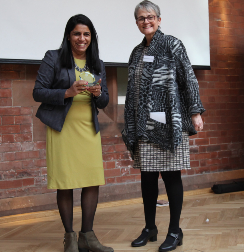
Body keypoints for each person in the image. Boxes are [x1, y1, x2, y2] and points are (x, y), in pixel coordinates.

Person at [122, 1, 205, 252]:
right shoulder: (136, 52)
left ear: (159, 19)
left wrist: (195, 112)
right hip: (144, 125)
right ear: (136, 23)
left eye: (150, 17)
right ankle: (150, 228)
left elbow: (188, 77)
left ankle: (174, 230)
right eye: (140, 18)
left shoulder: (172, 44)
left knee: (171, 176)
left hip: (169, 123)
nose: (145, 21)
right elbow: (132, 90)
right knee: (147, 178)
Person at [33, 14, 113, 252]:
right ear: (69, 36)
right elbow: (38, 92)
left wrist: (99, 94)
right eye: (77, 33)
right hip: (62, 129)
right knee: (65, 183)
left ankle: (87, 236)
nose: (82, 38)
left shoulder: (97, 63)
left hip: (88, 129)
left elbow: (104, 100)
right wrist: (66, 92)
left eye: (86, 34)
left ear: (92, 37)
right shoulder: (53, 58)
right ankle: (70, 238)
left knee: (91, 181)